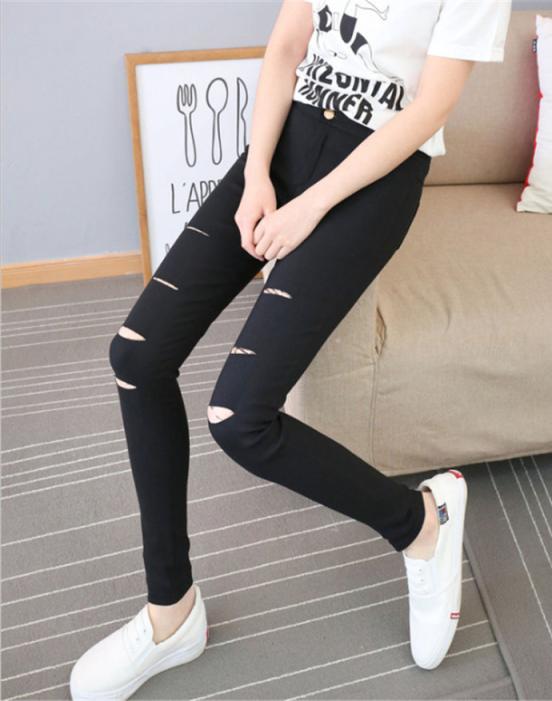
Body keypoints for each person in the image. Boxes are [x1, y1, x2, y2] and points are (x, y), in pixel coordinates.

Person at [69, 0, 512, 697]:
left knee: (239, 418)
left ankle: (422, 523)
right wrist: (256, 176)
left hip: (375, 175)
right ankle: (171, 612)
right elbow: (285, 48)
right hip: (287, 143)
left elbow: (429, 109)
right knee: (137, 358)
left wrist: (310, 207)